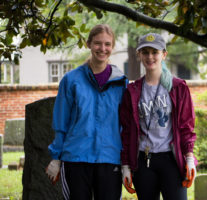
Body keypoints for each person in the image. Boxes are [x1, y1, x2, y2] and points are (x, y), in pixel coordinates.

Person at [45, 24, 128, 200]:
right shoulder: (71, 80)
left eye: (107, 44)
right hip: (76, 158)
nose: (102, 49)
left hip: (109, 158)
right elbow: (61, 121)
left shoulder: (122, 83)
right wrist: (56, 157)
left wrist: (126, 160)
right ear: (89, 44)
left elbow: (126, 125)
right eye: (97, 43)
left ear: (112, 47)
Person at [120, 33, 197, 200]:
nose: (150, 57)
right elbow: (126, 131)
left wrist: (189, 158)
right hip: (143, 162)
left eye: (154, 52)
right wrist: (126, 165)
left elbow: (186, 126)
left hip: (171, 160)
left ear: (164, 54)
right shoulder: (132, 92)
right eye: (145, 52)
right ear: (139, 55)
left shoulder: (178, 87)